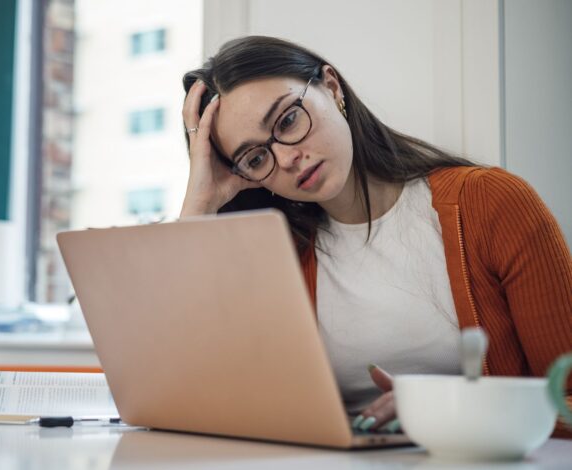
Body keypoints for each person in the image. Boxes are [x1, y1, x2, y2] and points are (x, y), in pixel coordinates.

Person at [179, 36, 572, 438]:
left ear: (331, 88)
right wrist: (200, 203)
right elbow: (188, 394)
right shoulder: (279, 257)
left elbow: (568, 399)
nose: (286, 158)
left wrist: (441, 408)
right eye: (257, 158)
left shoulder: (490, 203)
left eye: (287, 121)